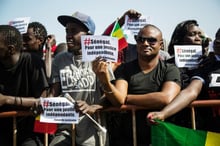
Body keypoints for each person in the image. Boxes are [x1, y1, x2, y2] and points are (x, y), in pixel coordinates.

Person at [93, 24, 181, 146]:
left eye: (151, 40)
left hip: (160, 137)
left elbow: (165, 98)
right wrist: (105, 81)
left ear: (161, 45)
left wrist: (127, 98)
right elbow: (118, 100)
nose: (145, 43)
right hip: (128, 138)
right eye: (141, 39)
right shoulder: (124, 68)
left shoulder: (170, 69)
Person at [49, 11, 108, 146]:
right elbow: (54, 92)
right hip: (65, 130)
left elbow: (109, 95)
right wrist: (44, 103)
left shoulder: (100, 59)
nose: (69, 36)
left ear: (88, 35)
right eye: (67, 31)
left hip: (92, 131)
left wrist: (92, 107)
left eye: (74, 31)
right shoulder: (59, 59)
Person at [147, 28, 220, 132]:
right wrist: (163, 113)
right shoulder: (206, 66)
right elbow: (191, 91)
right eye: (217, 37)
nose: (218, 41)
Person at [0, 25, 49, 146]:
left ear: (10, 49)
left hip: (29, 134)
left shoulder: (33, 61)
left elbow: (43, 101)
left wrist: (7, 100)